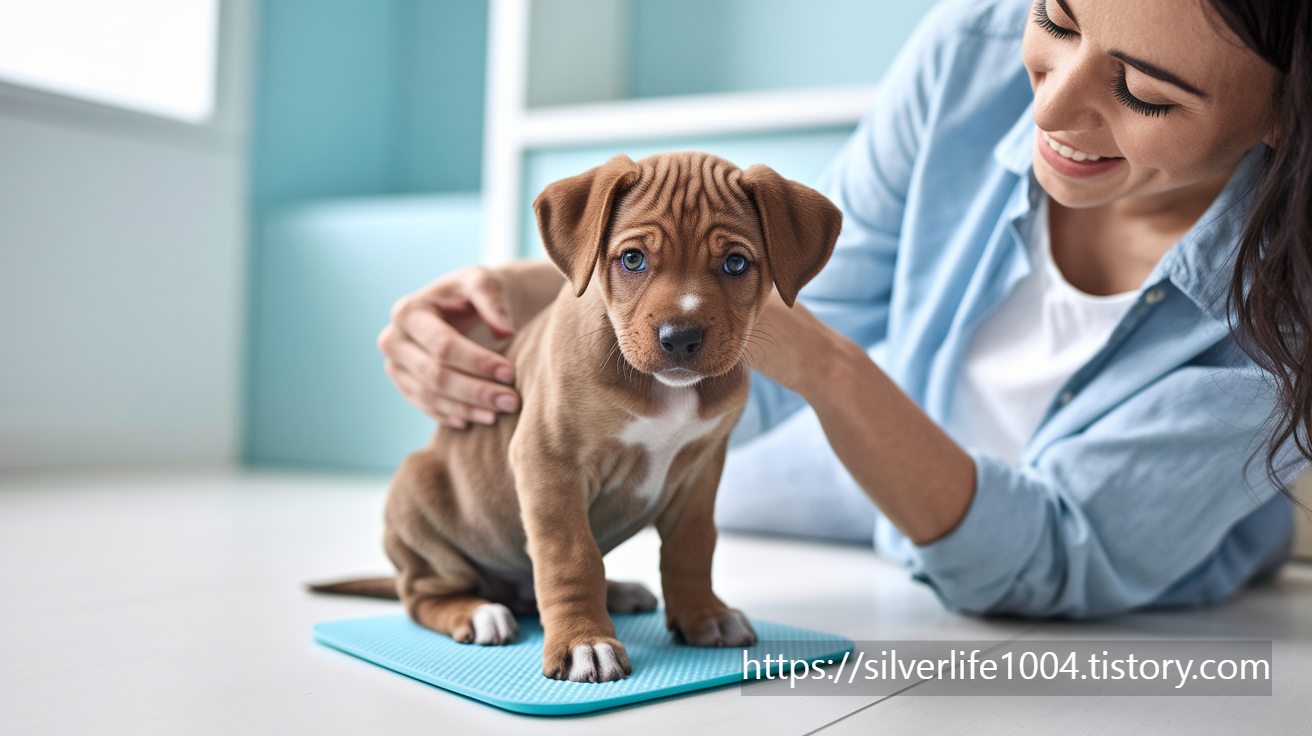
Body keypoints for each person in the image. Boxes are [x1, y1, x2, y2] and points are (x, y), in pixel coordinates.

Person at [377, 0, 1310, 618]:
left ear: (1287, 114)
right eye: (1056, 19)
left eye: (1144, 92)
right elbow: (809, 295)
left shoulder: (1287, 320)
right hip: (848, 506)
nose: (1049, 105)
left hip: (1100, 601)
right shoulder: (970, 51)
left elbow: (1048, 561)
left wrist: (825, 366)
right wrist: (528, 294)